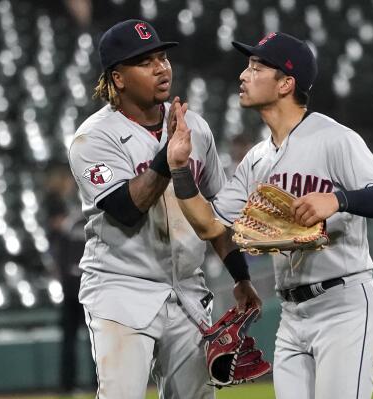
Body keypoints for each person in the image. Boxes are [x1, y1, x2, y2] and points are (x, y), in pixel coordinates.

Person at [167, 32, 373, 399]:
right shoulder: (257, 160)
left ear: (286, 84)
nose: (244, 75)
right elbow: (209, 225)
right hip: (292, 316)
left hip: (345, 307)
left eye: (257, 67)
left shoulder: (333, 138)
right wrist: (180, 170)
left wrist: (337, 200)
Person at [67, 19, 260, 399]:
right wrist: (167, 157)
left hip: (187, 291)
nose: (161, 67)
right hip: (121, 288)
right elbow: (126, 208)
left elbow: (216, 213)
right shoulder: (94, 137)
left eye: (162, 57)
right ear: (118, 78)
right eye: (145, 61)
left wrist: (240, 276)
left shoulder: (196, 130)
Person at [44, 163, 86, 393]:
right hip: (73, 284)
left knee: (77, 338)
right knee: (77, 338)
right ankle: (69, 385)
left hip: (74, 281)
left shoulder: (66, 205)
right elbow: (58, 227)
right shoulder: (55, 202)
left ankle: (71, 385)